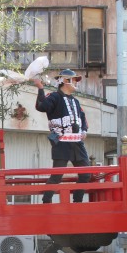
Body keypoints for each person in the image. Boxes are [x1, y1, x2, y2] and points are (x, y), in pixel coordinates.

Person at [32, 69, 90, 203]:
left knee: (86, 174)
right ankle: (46, 202)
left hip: (77, 143)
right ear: (65, 81)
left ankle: (77, 201)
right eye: (74, 80)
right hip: (62, 141)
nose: (76, 83)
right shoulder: (54, 96)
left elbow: (82, 118)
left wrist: (84, 131)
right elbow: (41, 106)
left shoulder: (75, 101)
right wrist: (40, 88)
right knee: (57, 176)